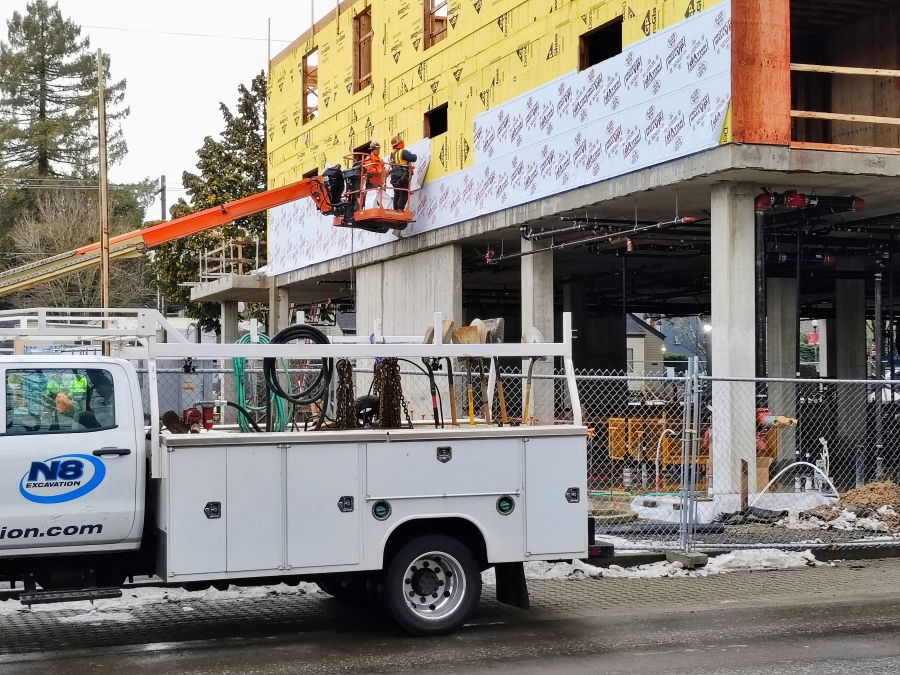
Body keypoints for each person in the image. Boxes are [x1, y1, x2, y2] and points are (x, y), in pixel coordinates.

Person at [389, 136, 417, 211]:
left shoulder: (391, 155)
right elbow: (413, 158)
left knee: (397, 193)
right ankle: (400, 209)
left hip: (394, 176)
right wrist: (414, 155)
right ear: (399, 143)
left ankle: (396, 210)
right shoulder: (402, 152)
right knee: (404, 193)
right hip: (402, 175)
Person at [362, 141, 386, 208]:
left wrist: (387, 172)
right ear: (373, 149)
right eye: (377, 149)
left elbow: (383, 169)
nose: (379, 150)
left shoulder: (380, 159)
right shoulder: (369, 158)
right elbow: (369, 169)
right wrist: (379, 171)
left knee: (380, 199)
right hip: (372, 182)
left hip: (379, 182)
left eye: (379, 149)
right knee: (372, 199)